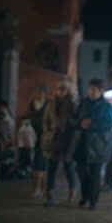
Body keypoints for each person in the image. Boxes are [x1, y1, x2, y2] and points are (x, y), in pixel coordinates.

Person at [73, 79, 112, 210]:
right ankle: (85, 196)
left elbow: (110, 123)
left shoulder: (106, 106)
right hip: (82, 142)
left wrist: (92, 125)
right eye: (90, 89)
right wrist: (80, 123)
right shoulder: (83, 103)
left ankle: (93, 201)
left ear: (101, 91)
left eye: (94, 90)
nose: (91, 92)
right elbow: (73, 118)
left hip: (98, 144)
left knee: (95, 174)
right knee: (81, 171)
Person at [41, 79, 78, 207]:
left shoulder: (73, 104)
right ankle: (50, 195)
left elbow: (76, 122)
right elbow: (45, 120)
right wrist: (48, 132)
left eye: (64, 89)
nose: (61, 92)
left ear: (68, 91)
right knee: (51, 168)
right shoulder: (51, 104)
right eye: (59, 89)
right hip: (54, 140)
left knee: (69, 168)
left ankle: (73, 190)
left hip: (68, 141)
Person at [27, 85, 49, 197]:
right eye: (38, 92)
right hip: (33, 136)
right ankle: (42, 188)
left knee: (41, 161)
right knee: (37, 161)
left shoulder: (49, 104)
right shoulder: (32, 104)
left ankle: (39, 188)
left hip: (45, 136)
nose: (40, 94)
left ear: (45, 93)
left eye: (42, 92)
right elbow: (28, 118)